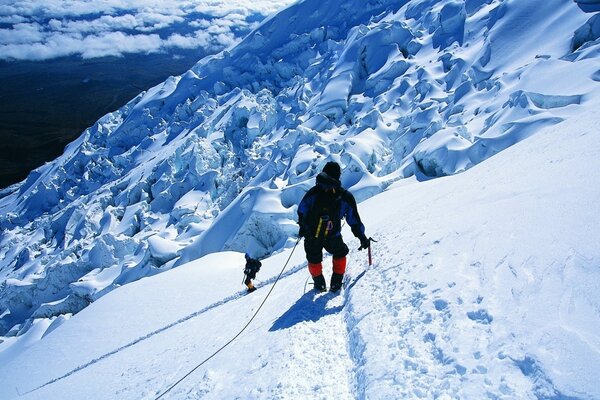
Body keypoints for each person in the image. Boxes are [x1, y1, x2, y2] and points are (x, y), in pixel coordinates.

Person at [297, 161, 370, 292]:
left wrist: (303, 228)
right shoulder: (344, 196)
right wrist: (362, 237)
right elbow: (353, 219)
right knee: (340, 253)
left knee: (313, 259)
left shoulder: (313, 193)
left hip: (312, 235)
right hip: (333, 235)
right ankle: (336, 283)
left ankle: (319, 285)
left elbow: (302, 211)